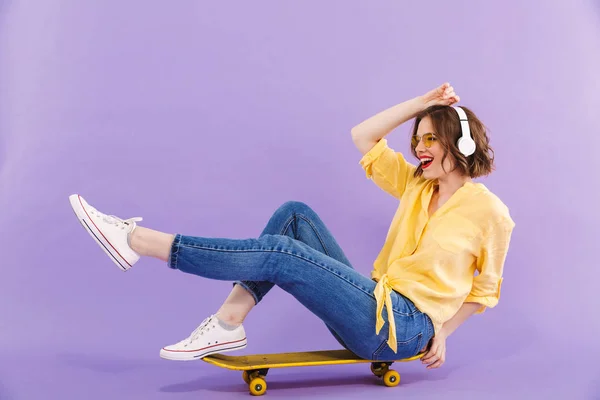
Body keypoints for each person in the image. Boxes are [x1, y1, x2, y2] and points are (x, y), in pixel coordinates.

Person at [69, 82, 514, 370]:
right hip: (372, 305)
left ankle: (138, 240)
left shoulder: (489, 213)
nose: (419, 146)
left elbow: (485, 290)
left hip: (403, 328)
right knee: (294, 215)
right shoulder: (418, 186)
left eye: (430, 138)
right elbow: (363, 136)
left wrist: (443, 331)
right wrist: (421, 105)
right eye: (417, 139)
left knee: (285, 254)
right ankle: (229, 321)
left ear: (462, 142)